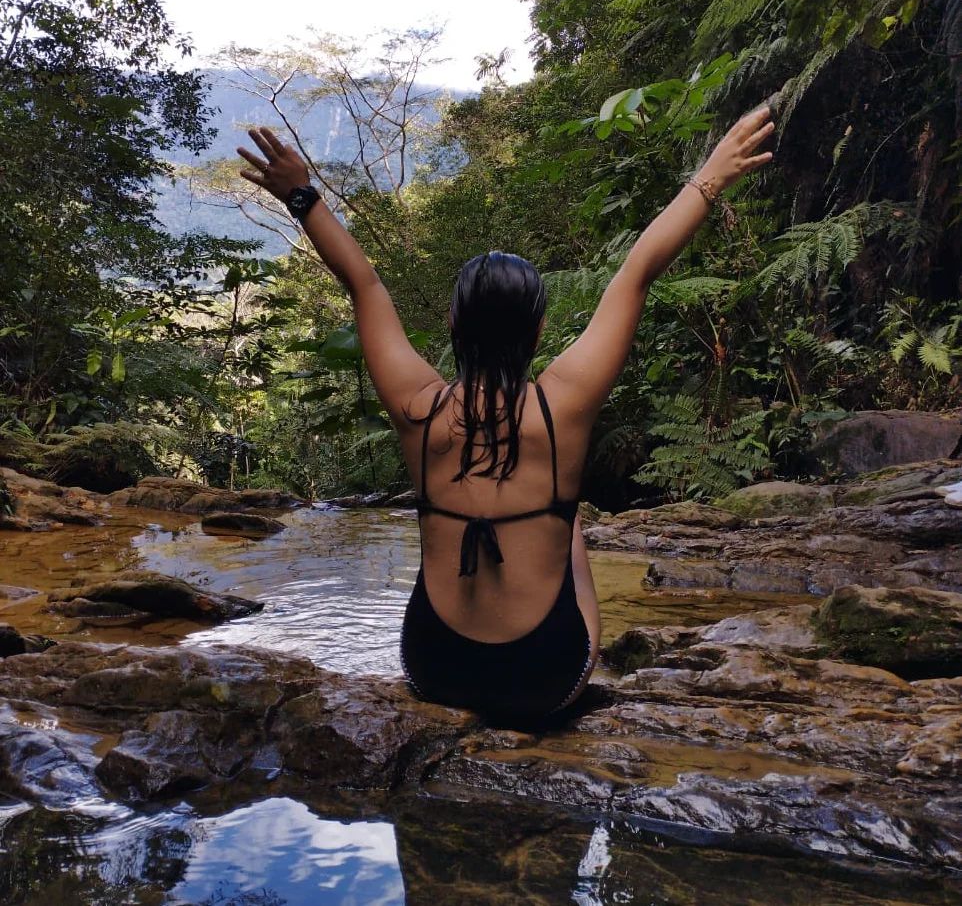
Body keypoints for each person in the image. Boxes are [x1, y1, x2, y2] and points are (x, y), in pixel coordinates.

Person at [237, 104, 775, 723]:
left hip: (433, 667)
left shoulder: (419, 408)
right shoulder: (562, 406)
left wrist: (301, 196)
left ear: (452, 325)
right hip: (544, 677)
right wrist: (709, 178)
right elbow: (636, 272)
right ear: (540, 329)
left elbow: (365, 285)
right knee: (568, 524)